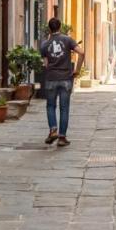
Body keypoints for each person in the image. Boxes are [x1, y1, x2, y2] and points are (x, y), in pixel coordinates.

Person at [39, 17, 83, 146]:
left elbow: (45, 64)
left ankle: (53, 129)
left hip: (51, 78)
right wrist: (77, 70)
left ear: (49, 28)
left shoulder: (44, 44)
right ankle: (62, 137)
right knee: (64, 108)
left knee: (50, 106)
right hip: (66, 78)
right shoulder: (67, 40)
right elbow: (82, 52)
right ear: (60, 27)